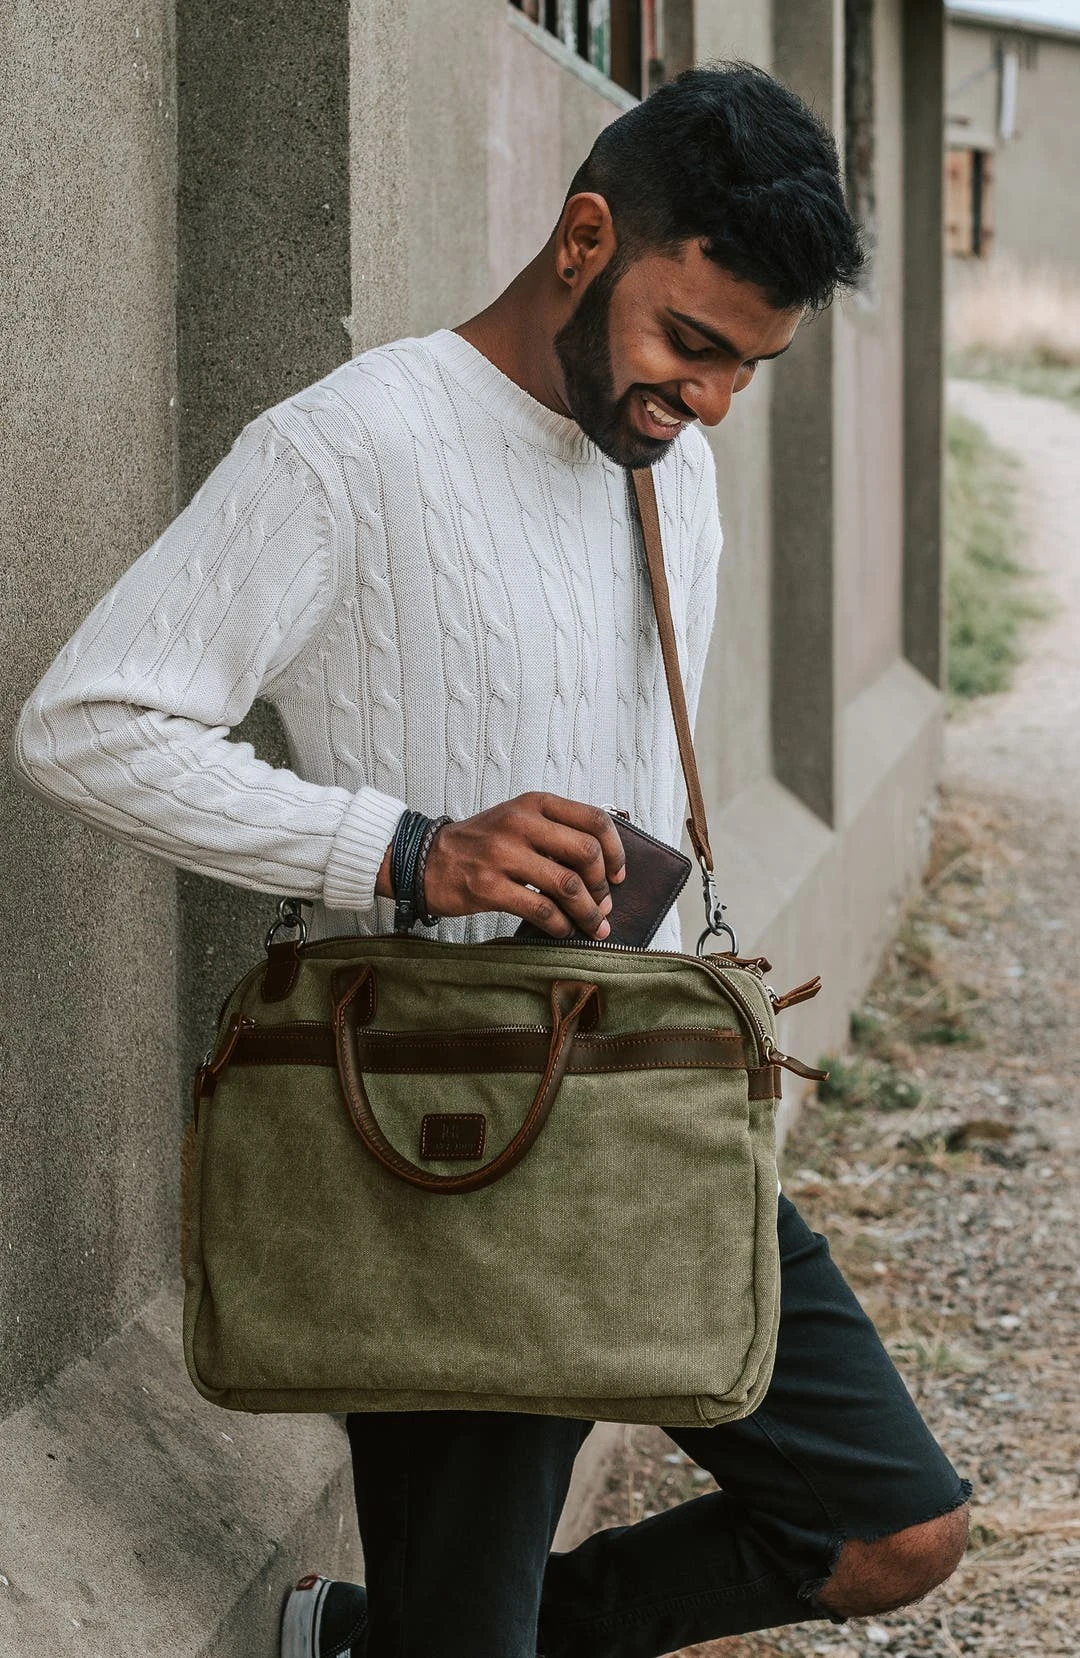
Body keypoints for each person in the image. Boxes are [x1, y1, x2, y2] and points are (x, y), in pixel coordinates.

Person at [12, 60, 970, 1658]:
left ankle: (359, 1641)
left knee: (891, 1526)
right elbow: (84, 723)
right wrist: (403, 851)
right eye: (693, 343)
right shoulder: (349, 447)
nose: (713, 400)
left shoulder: (674, 470)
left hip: (638, 1115)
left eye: (751, 367)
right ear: (585, 239)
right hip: (443, 1135)